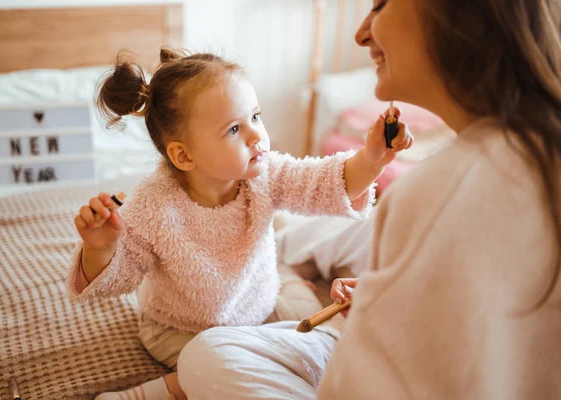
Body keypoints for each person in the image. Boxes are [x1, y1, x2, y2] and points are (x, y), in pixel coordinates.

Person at [176, 0, 561, 398]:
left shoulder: (441, 190)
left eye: (381, 5)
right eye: (234, 128)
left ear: (455, 15)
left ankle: (286, 256)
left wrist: (381, 319)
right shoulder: (519, 156)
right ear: (181, 155)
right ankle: (287, 254)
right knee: (346, 227)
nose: (362, 33)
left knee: (206, 354)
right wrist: (403, 301)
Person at [66, 48, 413, 400]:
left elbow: (324, 182)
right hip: (181, 330)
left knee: (313, 325)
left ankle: (292, 288)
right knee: (209, 360)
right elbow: (119, 276)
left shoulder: (266, 175)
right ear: (184, 155)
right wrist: (101, 247)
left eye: (256, 117)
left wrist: (370, 159)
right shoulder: (154, 206)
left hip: (260, 307)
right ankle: (167, 390)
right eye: (234, 128)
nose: (256, 136)